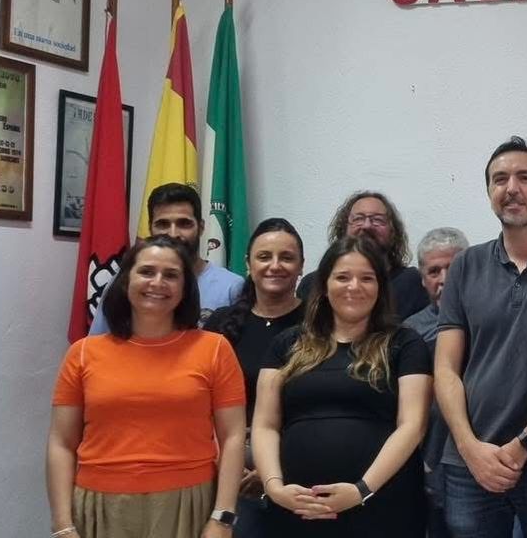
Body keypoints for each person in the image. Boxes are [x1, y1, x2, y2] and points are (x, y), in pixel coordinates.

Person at [435, 137, 527, 538]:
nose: (511, 188)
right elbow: (446, 369)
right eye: (499, 179)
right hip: (470, 463)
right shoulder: (466, 265)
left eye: (524, 177)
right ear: (489, 193)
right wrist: (469, 447)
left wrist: (523, 445)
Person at [48, 235, 248, 538]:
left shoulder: (215, 349)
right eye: (147, 272)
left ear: (185, 287)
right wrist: (63, 526)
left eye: (171, 275)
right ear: (126, 280)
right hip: (101, 506)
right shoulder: (83, 353)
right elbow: (61, 444)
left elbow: (233, 437)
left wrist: (222, 518)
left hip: (187, 505)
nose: (158, 282)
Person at [252, 236, 432, 537]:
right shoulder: (286, 344)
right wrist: (274, 488)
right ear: (323, 285)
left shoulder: (405, 343)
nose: (354, 287)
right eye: (343, 277)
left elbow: (413, 425)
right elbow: (265, 424)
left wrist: (362, 490)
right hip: (296, 508)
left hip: (383, 505)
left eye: (367, 278)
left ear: (380, 287)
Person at [205, 218, 308, 537]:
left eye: (286, 257)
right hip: (221, 467)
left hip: (296, 468)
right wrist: (229, 462)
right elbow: (198, 400)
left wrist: (269, 469)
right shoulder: (220, 325)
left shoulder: (320, 327)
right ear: (248, 264)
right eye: (264, 257)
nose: (275, 265)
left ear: (302, 266)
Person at [88, 183, 244, 334]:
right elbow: (99, 347)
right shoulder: (128, 281)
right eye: (163, 224)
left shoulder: (231, 287)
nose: (173, 233)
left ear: (201, 227)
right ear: (150, 228)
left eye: (184, 224)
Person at [404, 227, 470, 538]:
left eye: (453, 267)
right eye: (434, 271)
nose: (444, 278)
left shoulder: (491, 318)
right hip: (432, 460)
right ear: (422, 279)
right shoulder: (410, 332)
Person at [298, 190, 430, 320]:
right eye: (358, 219)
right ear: (344, 228)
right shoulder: (312, 284)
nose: (367, 226)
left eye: (377, 220)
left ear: (393, 231)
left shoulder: (413, 283)